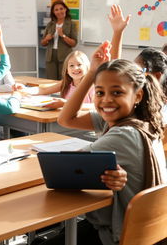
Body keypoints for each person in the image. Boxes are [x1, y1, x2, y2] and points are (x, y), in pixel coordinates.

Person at [45, 41, 167, 245]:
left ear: (137, 95)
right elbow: (65, 120)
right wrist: (92, 72)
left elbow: (63, 169)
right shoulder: (142, 120)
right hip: (139, 230)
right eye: (100, 92)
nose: (106, 100)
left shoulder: (125, 134)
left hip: (116, 233)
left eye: (117, 92)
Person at [41, 0, 77, 80]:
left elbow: (74, 43)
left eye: (61, 9)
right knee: (50, 80)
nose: (59, 11)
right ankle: (52, 93)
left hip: (65, 55)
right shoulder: (50, 24)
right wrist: (46, 39)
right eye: (56, 10)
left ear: (65, 9)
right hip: (50, 56)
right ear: (53, 12)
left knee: (64, 80)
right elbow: (42, 43)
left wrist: (63, 36)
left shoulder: (71, 24)